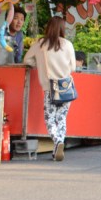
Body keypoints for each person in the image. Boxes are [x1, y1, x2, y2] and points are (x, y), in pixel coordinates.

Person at [22, 16, 76, 162]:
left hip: (49, 89)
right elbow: (73, 67)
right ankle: (58, 146)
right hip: (66, 88)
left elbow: (26, 59)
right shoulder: (68, 44)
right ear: (62, 28)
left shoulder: (40, 43)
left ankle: (57, 142)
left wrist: (37, 64)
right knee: (61, 118)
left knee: (50, 119)